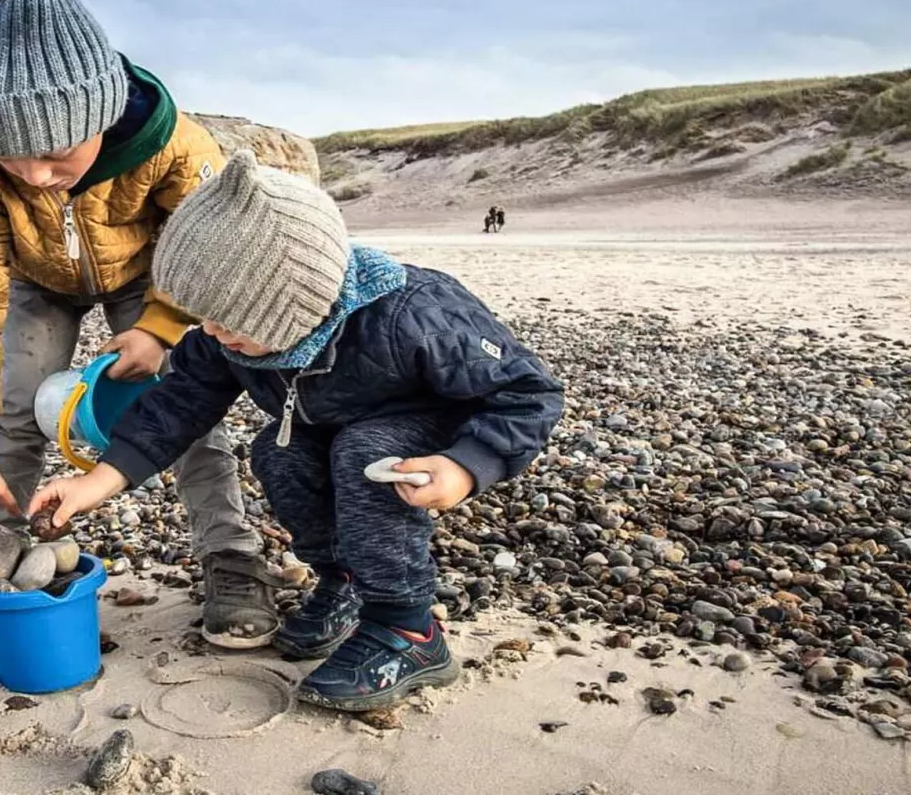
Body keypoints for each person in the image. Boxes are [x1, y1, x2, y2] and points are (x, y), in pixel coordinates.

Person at [31, 152, 565, 712]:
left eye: (228, 321)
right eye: (202, 317)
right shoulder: (228, 336)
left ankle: (409, 630)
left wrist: (466, 464)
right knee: (278, 453)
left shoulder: (415, 313)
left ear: (293, 308)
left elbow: (529, 393)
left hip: (427, 431)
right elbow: (181, 402)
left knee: (364, 454)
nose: (212, 334)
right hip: (326, 422)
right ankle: (346, 579)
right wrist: (99, 480)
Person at [0, 0, 270, 648]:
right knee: (13, 410)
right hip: (36, 279)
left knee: (182, 406)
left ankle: (232, 558)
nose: (33, 176)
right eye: (7, 159)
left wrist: (160, 325)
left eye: (52, 154)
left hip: (153, 276)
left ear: (100, 111)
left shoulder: (174, 146)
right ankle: (4, 561)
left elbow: (210, 245)